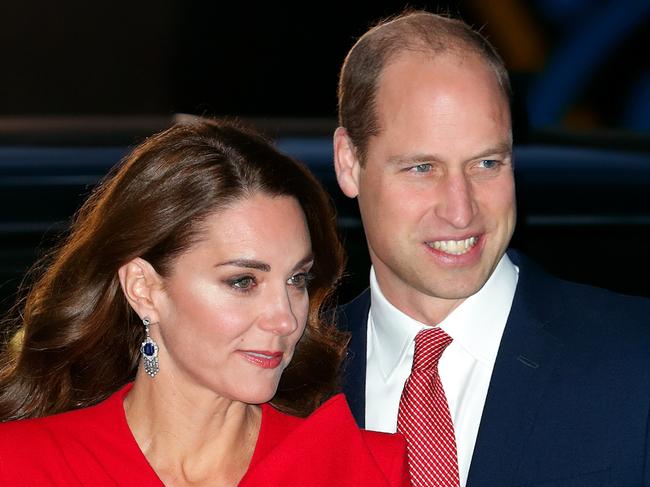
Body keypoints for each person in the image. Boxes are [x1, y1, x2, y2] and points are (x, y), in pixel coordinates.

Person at [333, 10, 650, 487]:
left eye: (486, 163)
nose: (461, 211)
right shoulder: (285, 375)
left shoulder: (637, 359)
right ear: (348, 164)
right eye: (422, 168)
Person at [0, 119, 410, 486]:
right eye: (243, 281)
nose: (285, 319)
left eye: (296, 280)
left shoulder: (359, 468)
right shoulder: (22, 465)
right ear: (143, 288)